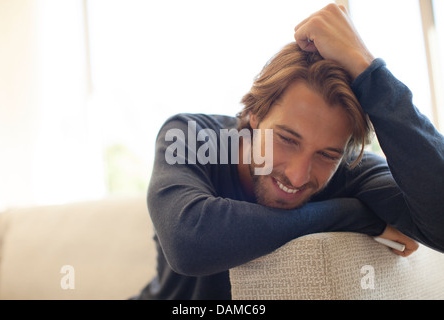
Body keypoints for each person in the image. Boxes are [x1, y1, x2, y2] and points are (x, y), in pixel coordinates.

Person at [136, 4, 444, 300]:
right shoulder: (197, 137)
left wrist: (369, 71)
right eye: (286, 138)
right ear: (255, 114)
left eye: (326, 155)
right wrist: (350, 214)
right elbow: (188, 242)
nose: (298, 175)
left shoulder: (349, 170)